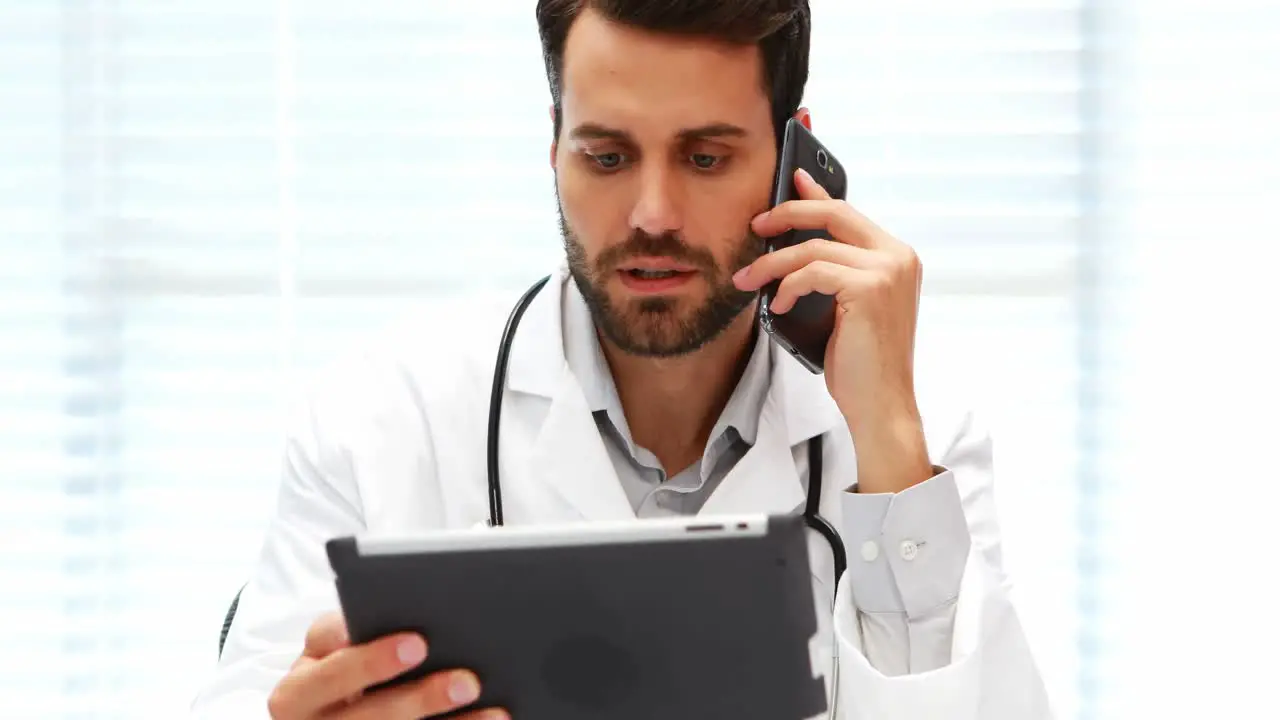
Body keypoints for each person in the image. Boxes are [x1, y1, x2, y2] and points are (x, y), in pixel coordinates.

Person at [191, 1, 1054, 718]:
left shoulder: (909, 430)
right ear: (554, 144)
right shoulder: (378, 420)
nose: (651, 213)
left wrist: (892, 454)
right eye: (606, 156)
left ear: (796, 164)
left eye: (705, 157)